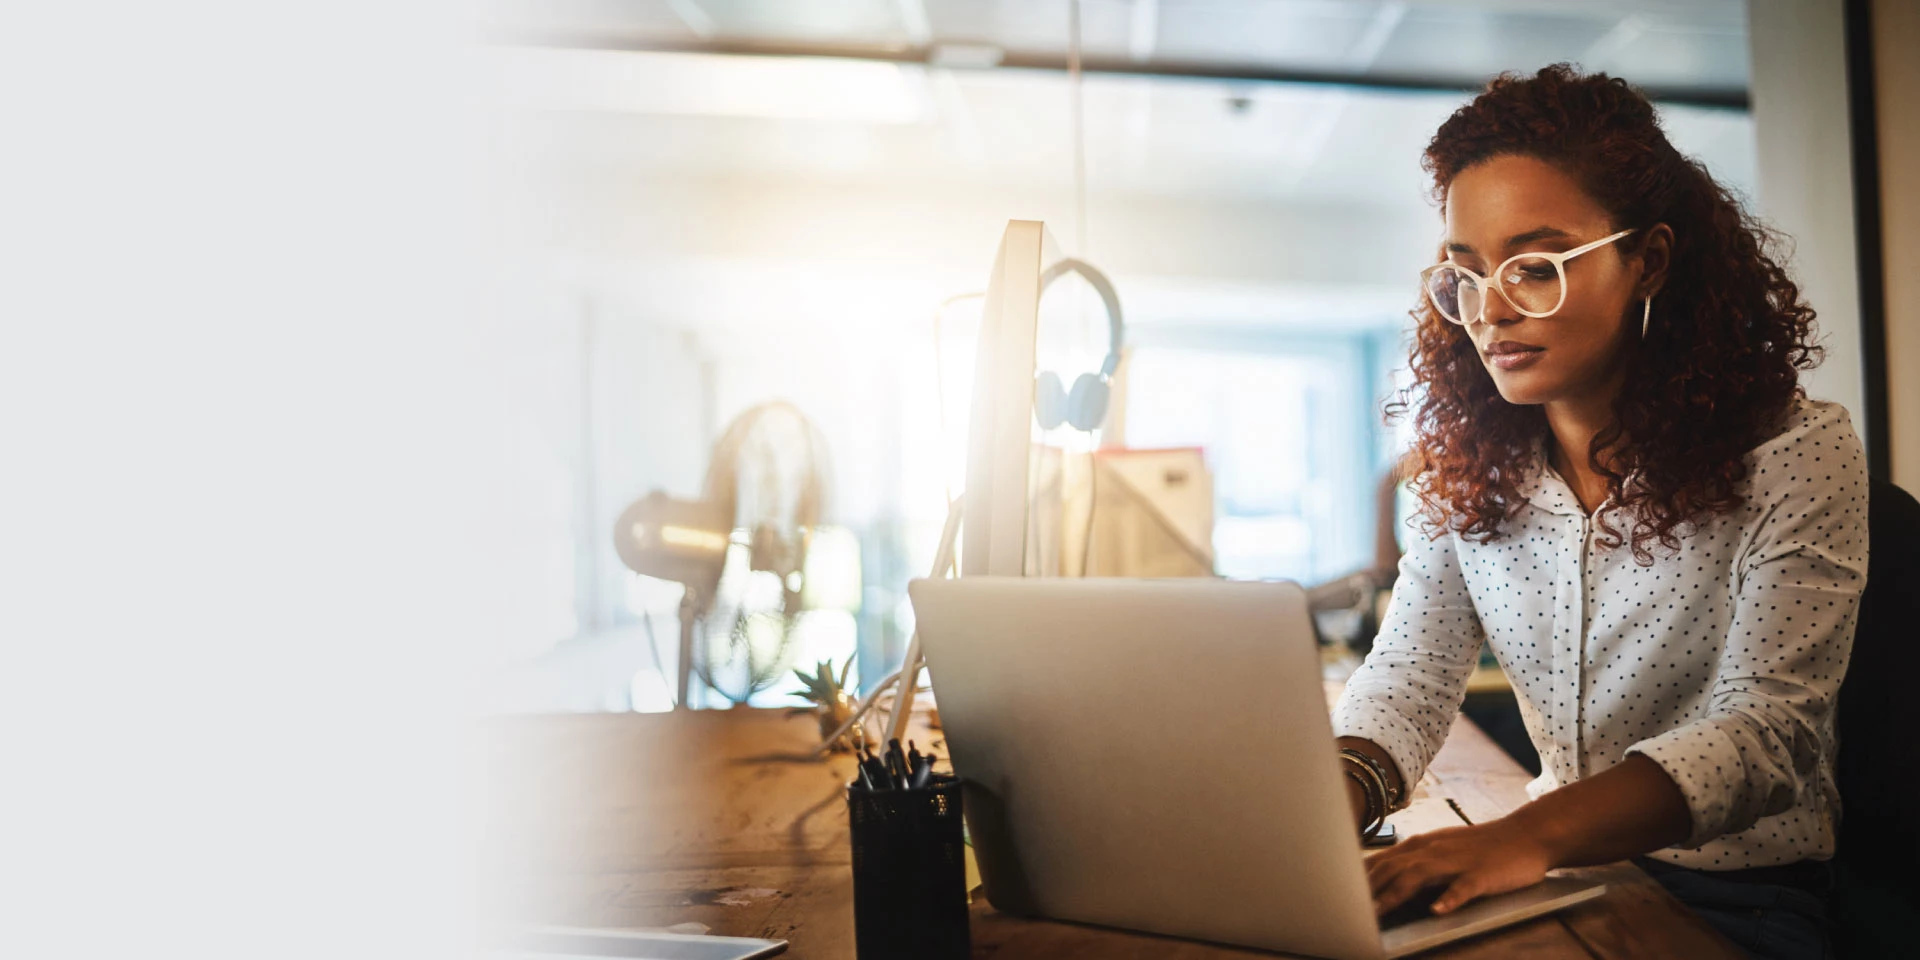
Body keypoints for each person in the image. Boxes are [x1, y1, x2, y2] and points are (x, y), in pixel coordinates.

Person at [1329, 64, 1866, 960]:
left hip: (1742, 899)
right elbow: (1411, 679)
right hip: (1564, 876)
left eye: (1535, 267)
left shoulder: (1795, 452)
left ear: (1647, 260)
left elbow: (1769, 733)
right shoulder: (1465, 472)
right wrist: (1334, 800)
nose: (1489, 311)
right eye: (1465, 275)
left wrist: (1517, 839)